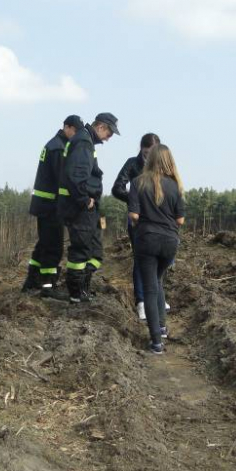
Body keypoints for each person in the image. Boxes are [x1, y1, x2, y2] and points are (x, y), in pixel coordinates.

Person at [128, 144, 185, 354]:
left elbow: (134, 215)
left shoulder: (138, 182)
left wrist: (140, 224)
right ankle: (161, 327)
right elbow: (180, 219)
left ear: (149, 159)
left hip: (147, 240)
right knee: (158, 280)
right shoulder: (175, 185)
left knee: (150, 288)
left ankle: (156, 343)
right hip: (170, 242)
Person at [58, 112, 120, 303]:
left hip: (86, 208)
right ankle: (76, 293)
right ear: (100, 126)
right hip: (79, 208)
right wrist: (85, 200)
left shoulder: (85, 141)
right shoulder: (84, 142)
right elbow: (76, 175)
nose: (108, 139)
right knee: (81, 250)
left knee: (94, 251)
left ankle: (83, 289)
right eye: (109, 134)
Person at [22, 115, 84, 297]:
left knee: (44, 244)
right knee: (53, 246)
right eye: (75, 131)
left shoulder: (54, 144)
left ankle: (31, 281)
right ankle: (48, 286)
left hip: (45, 204)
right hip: (51, 205)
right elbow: (62, 179)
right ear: (67, 127)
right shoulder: (58, 148)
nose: (76, 135)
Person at [112, 133, 160, 320]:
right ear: (141, 149)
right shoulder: (132, 164)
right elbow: (117, 188)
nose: (149, 157)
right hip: (138, 219)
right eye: (146, 152)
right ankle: (140, 301)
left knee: (158, 259)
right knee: (141, 258)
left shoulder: (162, 165)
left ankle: (156, 297)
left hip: (158, 220)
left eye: (153, 153)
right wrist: (135, 202)